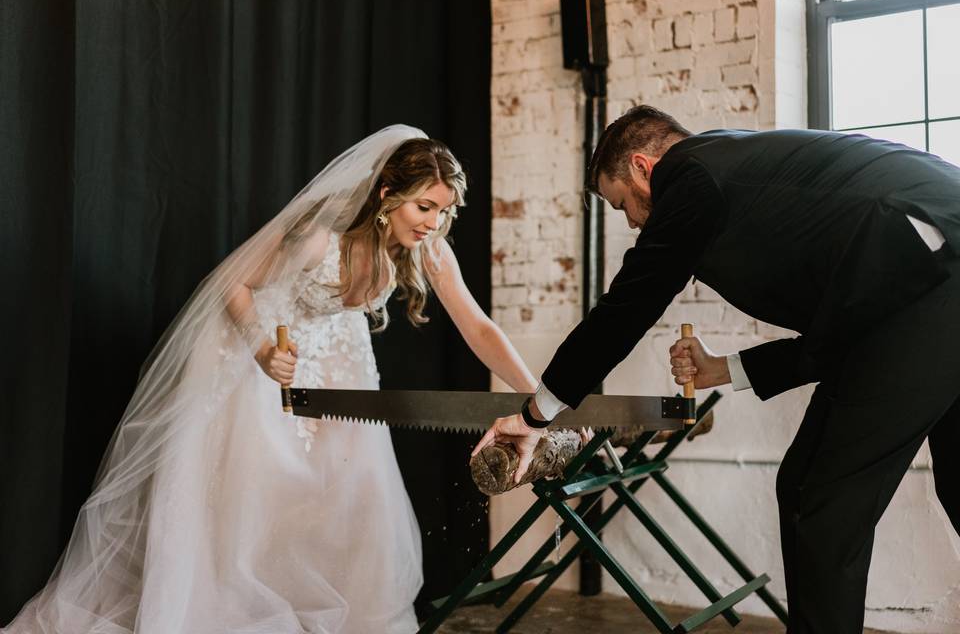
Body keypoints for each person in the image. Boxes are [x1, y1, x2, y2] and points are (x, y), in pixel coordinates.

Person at [4, 126, 538, 634]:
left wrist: (536, 392)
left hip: (340, 361)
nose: (432, 222)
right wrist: (262, 350)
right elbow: (230, 283)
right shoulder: (316, 239)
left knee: (350, 488)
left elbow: (480, 328)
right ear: (386, 193)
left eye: (444, 212)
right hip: (259, 354)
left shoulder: (429, 248)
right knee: (261, 491)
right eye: (424, 207)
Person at [474, 106, 960, 633]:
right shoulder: (740, 171)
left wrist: (533, 417)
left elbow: (627, 308)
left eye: (622, 205)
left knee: (818, 500)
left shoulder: (690, 175)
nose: (635, 222)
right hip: (921, 278)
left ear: (642, 167)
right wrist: (726, 368)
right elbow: (845, 325)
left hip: (932, 279)